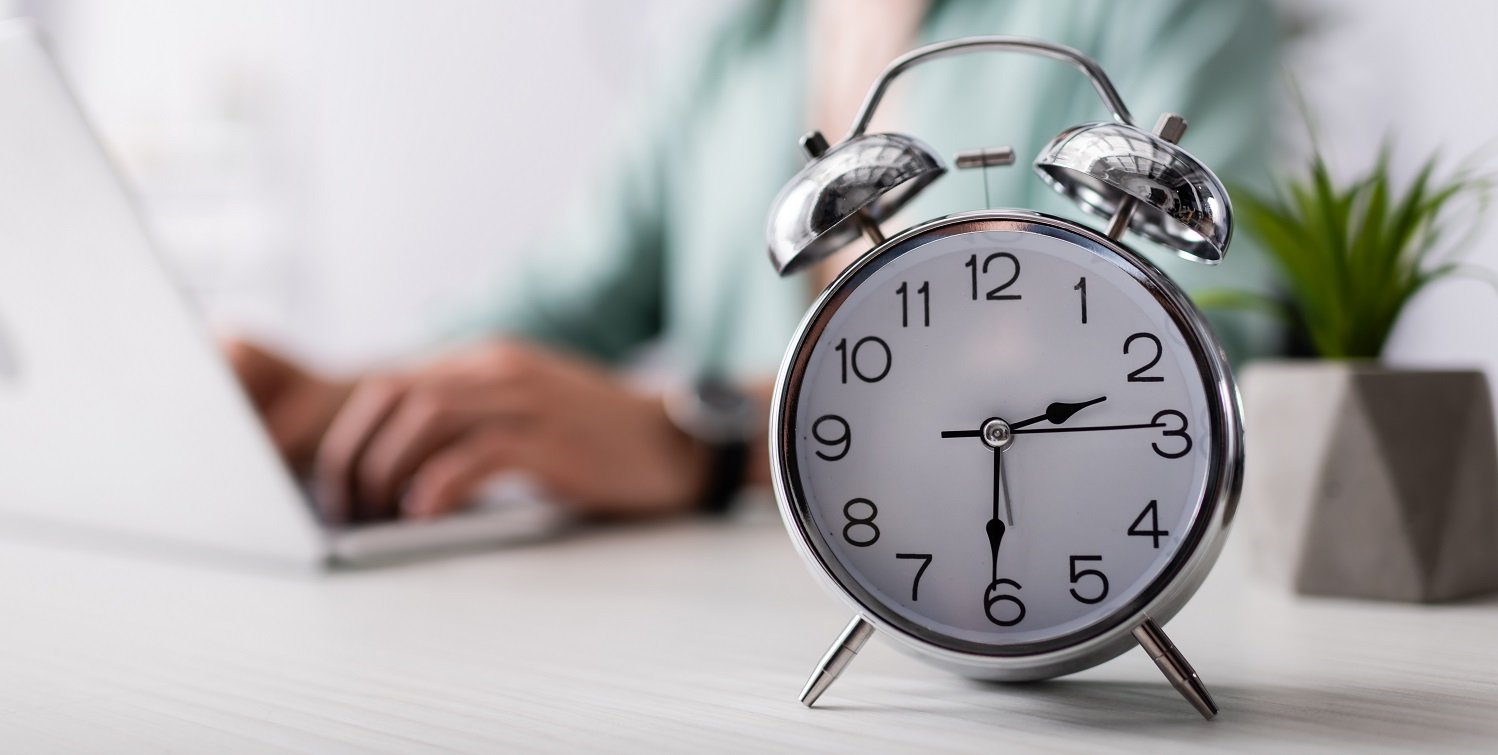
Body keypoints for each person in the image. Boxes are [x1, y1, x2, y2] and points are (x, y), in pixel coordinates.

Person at [229, 0, 1282, 524]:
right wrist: (349, 399)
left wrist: (704, 440)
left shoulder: (1152, 14)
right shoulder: (732, 45)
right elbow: (569, 298)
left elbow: (1191, 356)